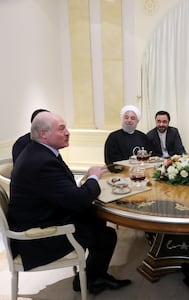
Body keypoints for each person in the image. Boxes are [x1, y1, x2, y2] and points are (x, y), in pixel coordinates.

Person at [7, 111, 131, 295]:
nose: (67, 132)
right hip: (37, 238)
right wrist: (94, 178)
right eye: (61, 128)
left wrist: (88, 180)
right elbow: (79, 201)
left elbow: (65, 189)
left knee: (95, 217)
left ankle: (93, 275)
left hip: (42, 216)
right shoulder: (42, 162)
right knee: (107, 234)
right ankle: (93, 278)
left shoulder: (39, 152)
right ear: (43, 134)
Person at [104, 105, 150, 172]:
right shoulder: (113, 137)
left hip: (140, 172)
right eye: (126, 117)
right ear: (122, 119)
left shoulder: (143, 136)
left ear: (137, 121)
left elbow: (148, 157)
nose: (129, 120)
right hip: (120, 173)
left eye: (132, 118)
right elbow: (110, 160)